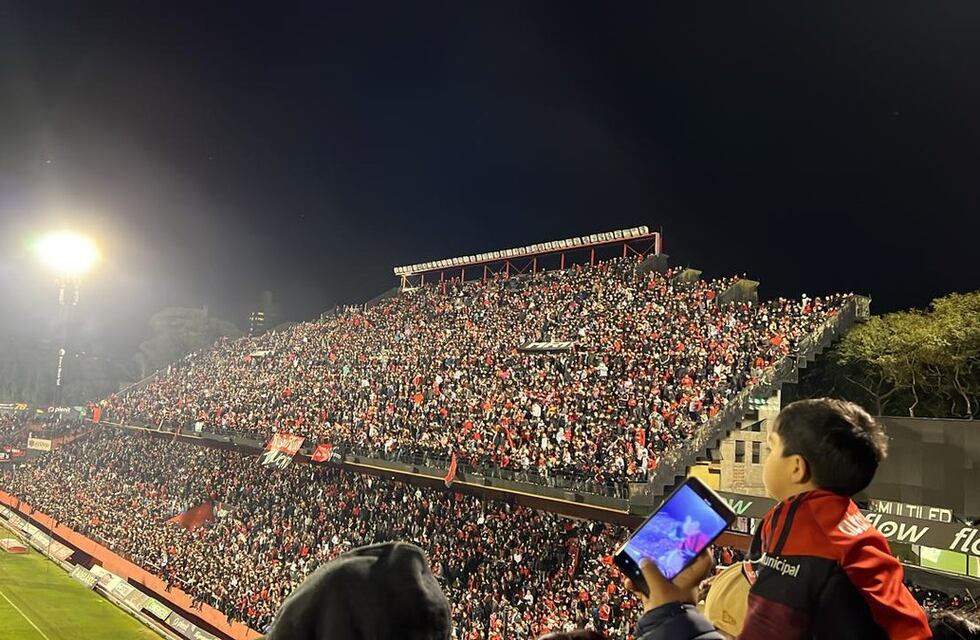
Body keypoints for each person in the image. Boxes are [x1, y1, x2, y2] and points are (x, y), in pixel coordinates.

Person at [624, 398, 932, 639]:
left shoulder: (802, 523)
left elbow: (769, 629)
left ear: (797, 468)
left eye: (770, 449)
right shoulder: (843, 519)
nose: (765, 459)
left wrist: (670, 611)